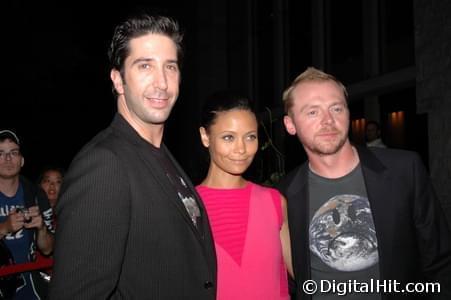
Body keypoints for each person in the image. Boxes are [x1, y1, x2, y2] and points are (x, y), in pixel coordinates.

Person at [49, 14, 217, 299]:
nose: (162, 82)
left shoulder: (162, 158)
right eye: (145, 66)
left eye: (170, 67)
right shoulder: (104, 165)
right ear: (118, 79)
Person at [279, 67, 451, 300]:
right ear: (290, 125)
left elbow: (439, 262)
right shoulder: (283, 194)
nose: (328, 121)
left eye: (336, 108)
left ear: (348, 113)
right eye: (312, 112)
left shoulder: (404, 170)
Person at [196, 91, 293, 300]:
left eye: (250, 137)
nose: (241, 149)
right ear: (205, 137)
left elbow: (304, 274)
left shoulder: (274, 202)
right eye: (228, 137)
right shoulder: (188, 207)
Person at [0, 129, 55, 299]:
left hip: (29, 286)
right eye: (0, 153)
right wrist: (4, 228)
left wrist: (41, 229)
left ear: (22, 160)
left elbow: (48, 249)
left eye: (13, 152)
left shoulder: (36, 195)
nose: (8, 158)